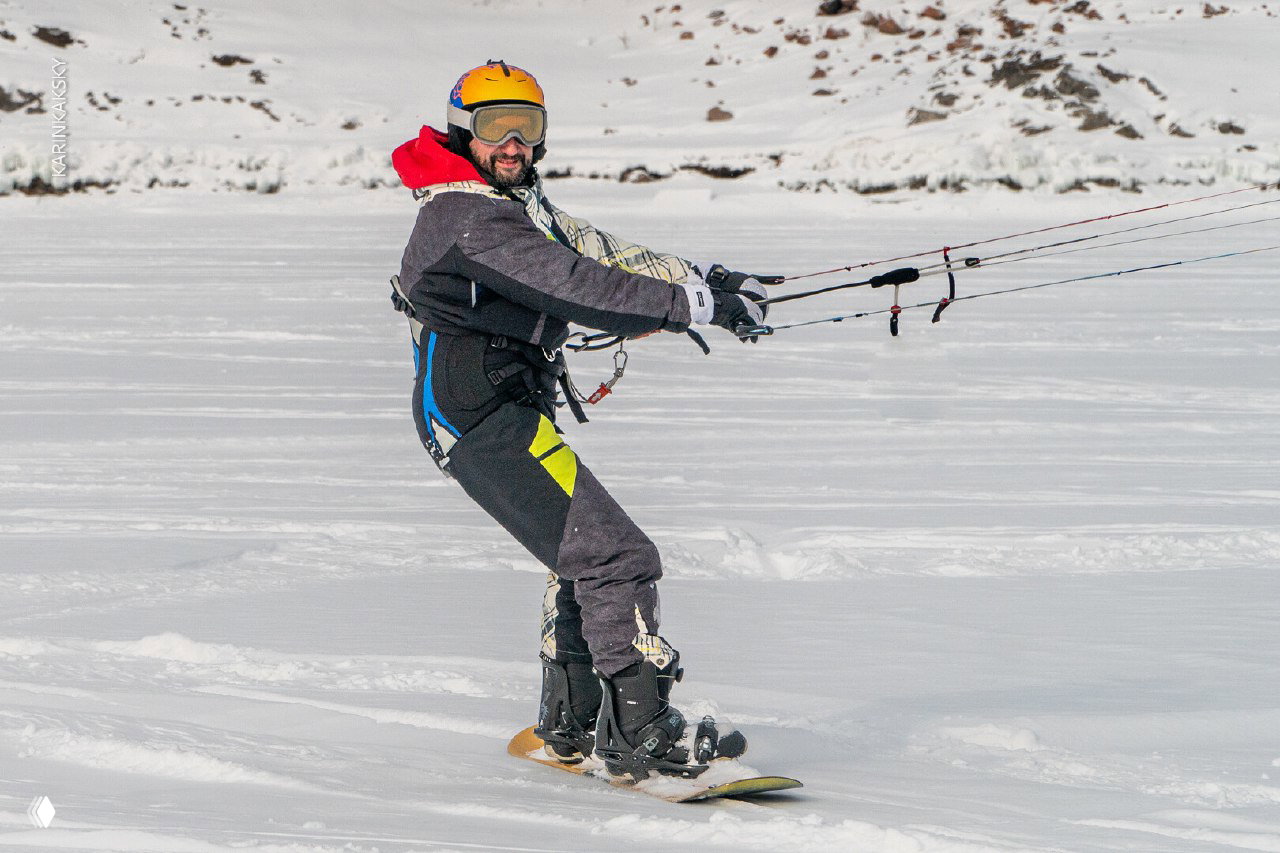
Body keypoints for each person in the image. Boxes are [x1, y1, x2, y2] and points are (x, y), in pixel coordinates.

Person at [390, 60, 767, 779]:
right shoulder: (464, 215)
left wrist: (701, 278)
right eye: (496, 128)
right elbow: (574, 283)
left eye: (526, 128)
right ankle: (641, 730)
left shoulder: (508, 202)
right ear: (462, 132)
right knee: (615, 554)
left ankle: (569, 720)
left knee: (579, 555)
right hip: (476, 417)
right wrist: (693, 308)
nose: (512, 144)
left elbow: (594, 250)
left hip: (495, 410)